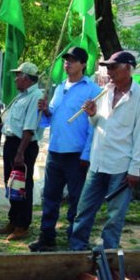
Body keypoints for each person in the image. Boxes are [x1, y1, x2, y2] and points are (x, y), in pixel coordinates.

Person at [69, 51, 140, 250]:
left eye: (113, 67)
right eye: (107, 67)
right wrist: (92, 114)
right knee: (84, 210)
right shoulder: (104, 91)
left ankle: (108, 253)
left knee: (115, 215)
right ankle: (77, 249)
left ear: (127, 68)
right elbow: (98, 123)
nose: (109, 71)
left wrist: (135, 169)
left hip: (121, 166)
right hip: (97, 162)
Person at [29, 48, 102, 252]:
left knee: (76, 199)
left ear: (83, 64)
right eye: (66, 60)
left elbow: (93, 126)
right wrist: (45, 110)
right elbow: (53, 118)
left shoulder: (92, 90)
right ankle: (47, 236)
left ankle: (75, 238)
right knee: (50, 197)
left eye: (73, 60)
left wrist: (86, 154)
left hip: (76, 154)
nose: (68, 64)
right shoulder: (60, 87)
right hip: (55, 150)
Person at [0, 62, 43, 240]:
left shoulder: (36, 96)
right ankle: (13, 219)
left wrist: (21, 152)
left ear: (26, 78)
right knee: (11, 183)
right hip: (12, 143)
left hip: (24, 146)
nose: (15, 79)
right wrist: (0, 126)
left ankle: (22, 225)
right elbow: (14, 123)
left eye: (18, 75)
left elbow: (29, 128)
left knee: (23, 186)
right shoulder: (19, 96)